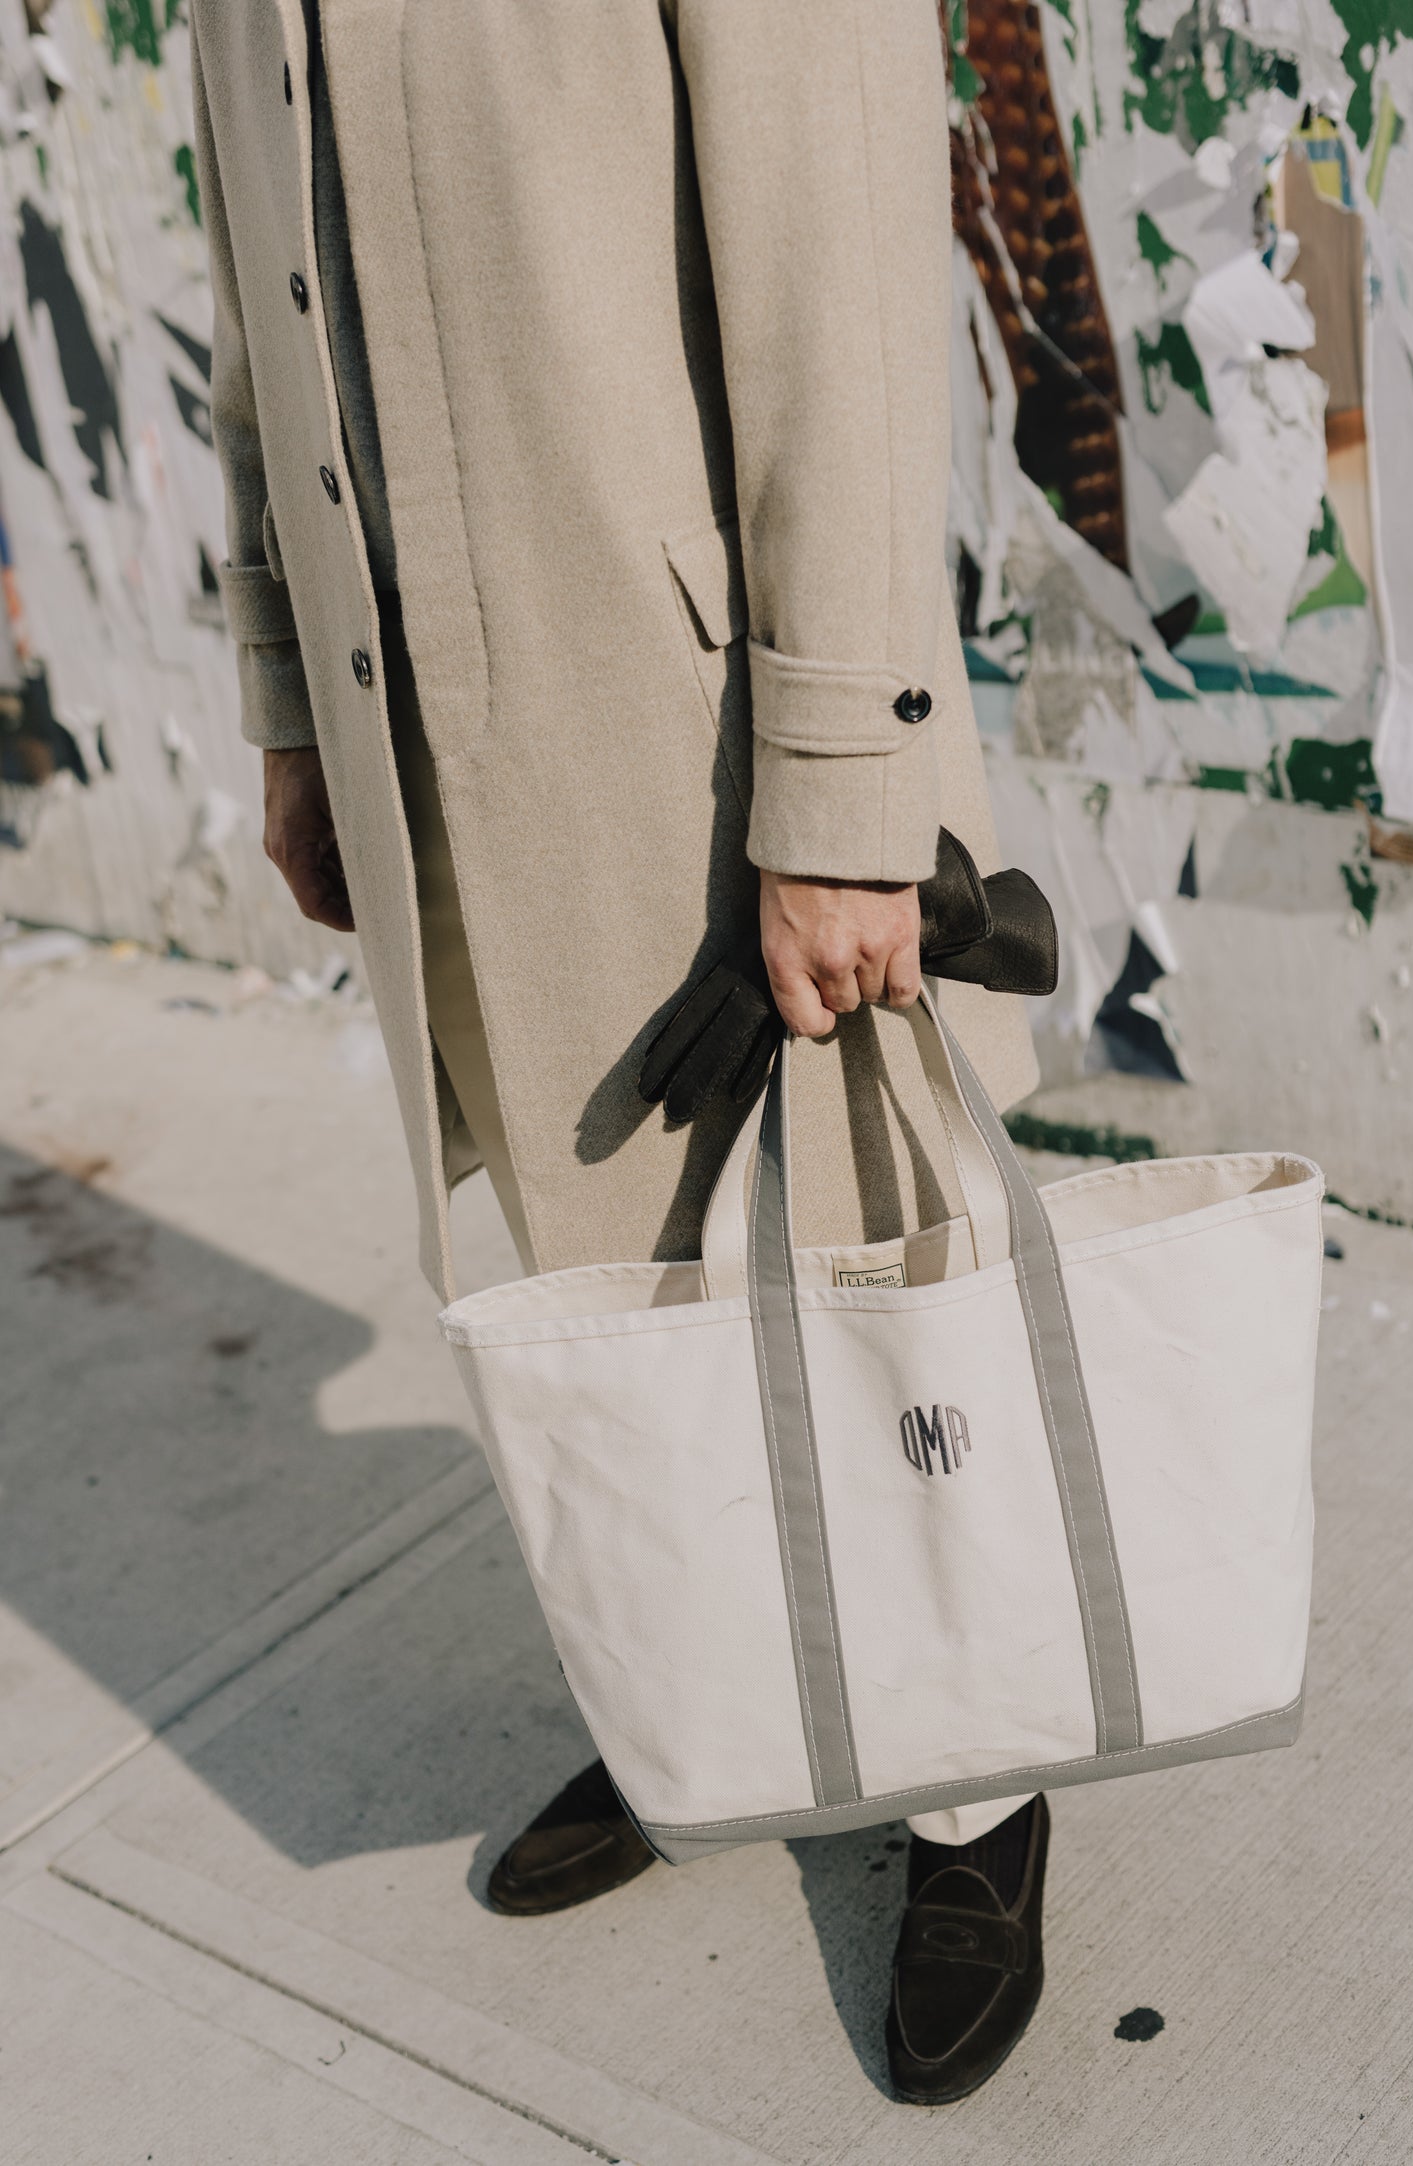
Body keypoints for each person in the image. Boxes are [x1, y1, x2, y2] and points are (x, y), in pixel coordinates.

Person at [192, 0, 1047, 2103]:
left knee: (869, 1277)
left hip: (700, 722)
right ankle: (724, 1699)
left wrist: (847, 790)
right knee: (600, 1269)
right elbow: (253, 278)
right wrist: (294, 691)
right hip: (431, 734)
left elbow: (838, 265)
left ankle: (973, 1788)